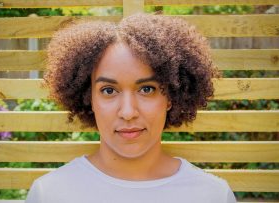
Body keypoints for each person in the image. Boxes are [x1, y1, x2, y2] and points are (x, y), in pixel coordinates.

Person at [25, 13, 236, 203]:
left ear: (170, 97)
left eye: (146, 89)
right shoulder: (49, 194)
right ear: (88, 97)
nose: (128, 112)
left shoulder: (212, 195)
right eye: (109, 91)